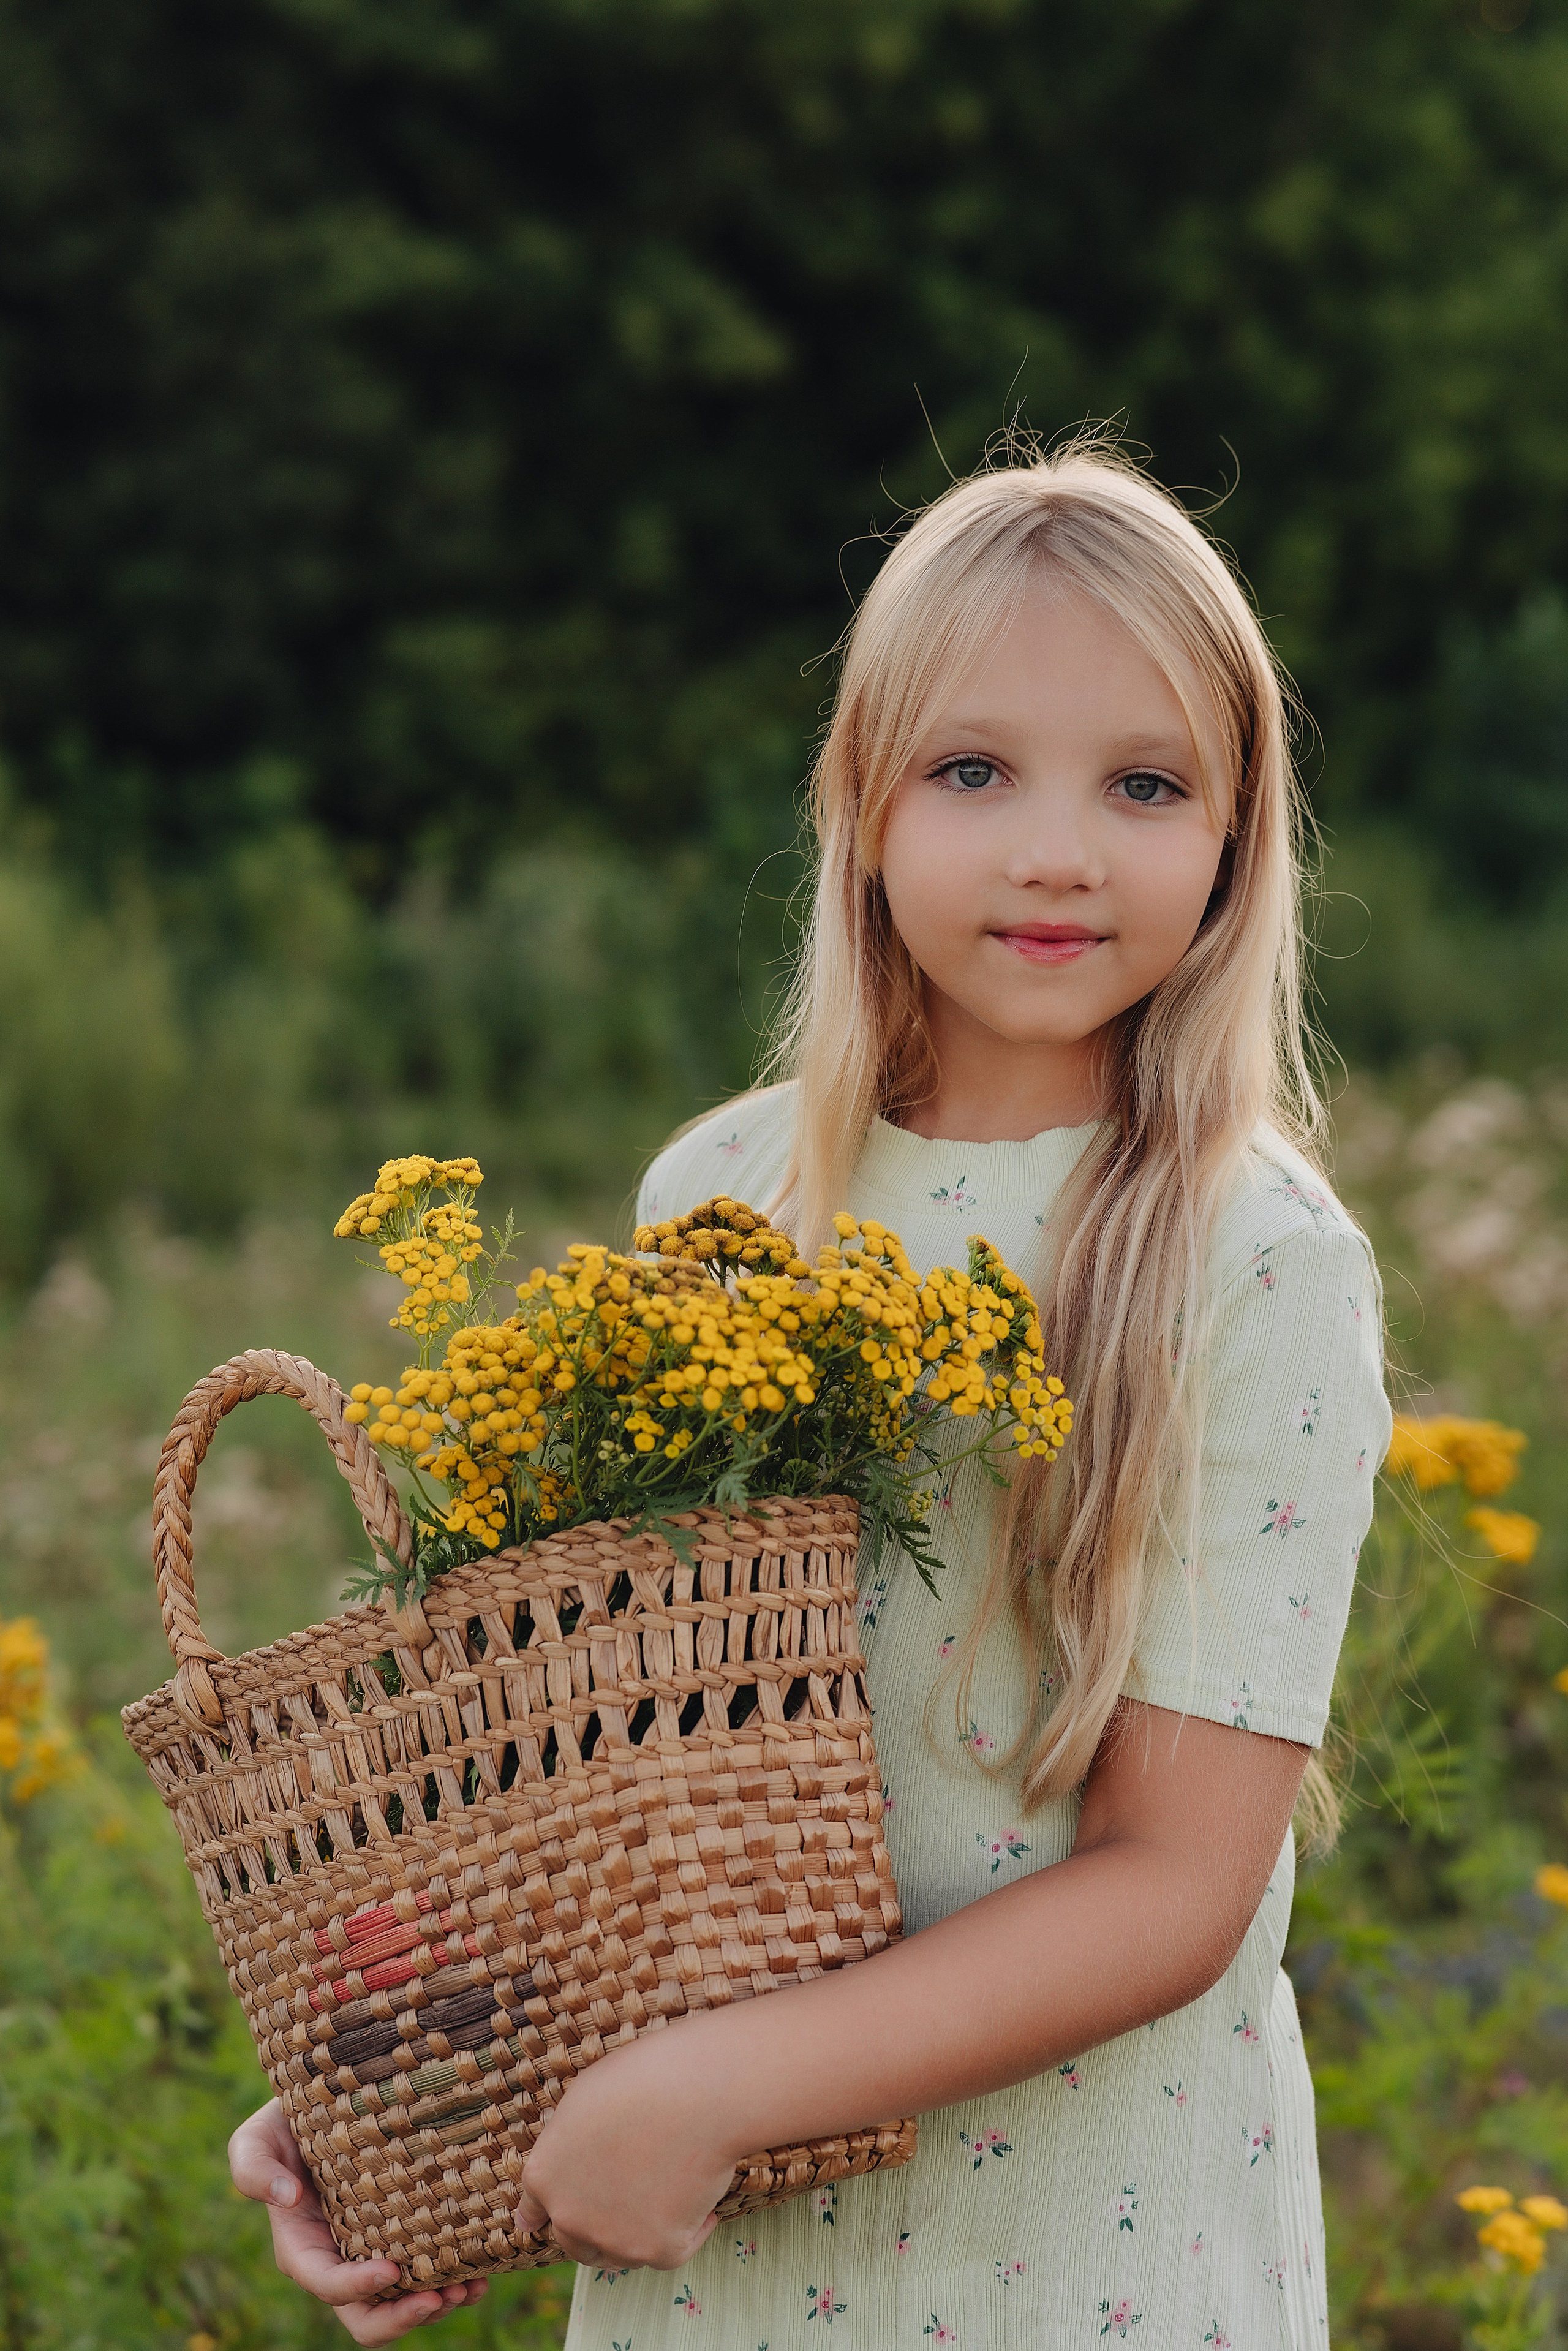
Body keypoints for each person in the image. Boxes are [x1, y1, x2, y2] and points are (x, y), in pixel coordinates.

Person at [229, 439, 1392, 2348]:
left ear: (1241, 832)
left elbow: (1176, 1892)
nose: (1055, 849)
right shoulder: (727, 1200)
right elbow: (642, 1774)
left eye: (1146, 783)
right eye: (972, 769)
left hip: (1076, 2259)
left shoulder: (1245, 1262)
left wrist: (717, 2086)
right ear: (858, 801)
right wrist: (421, 2078)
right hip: (730, 2261)